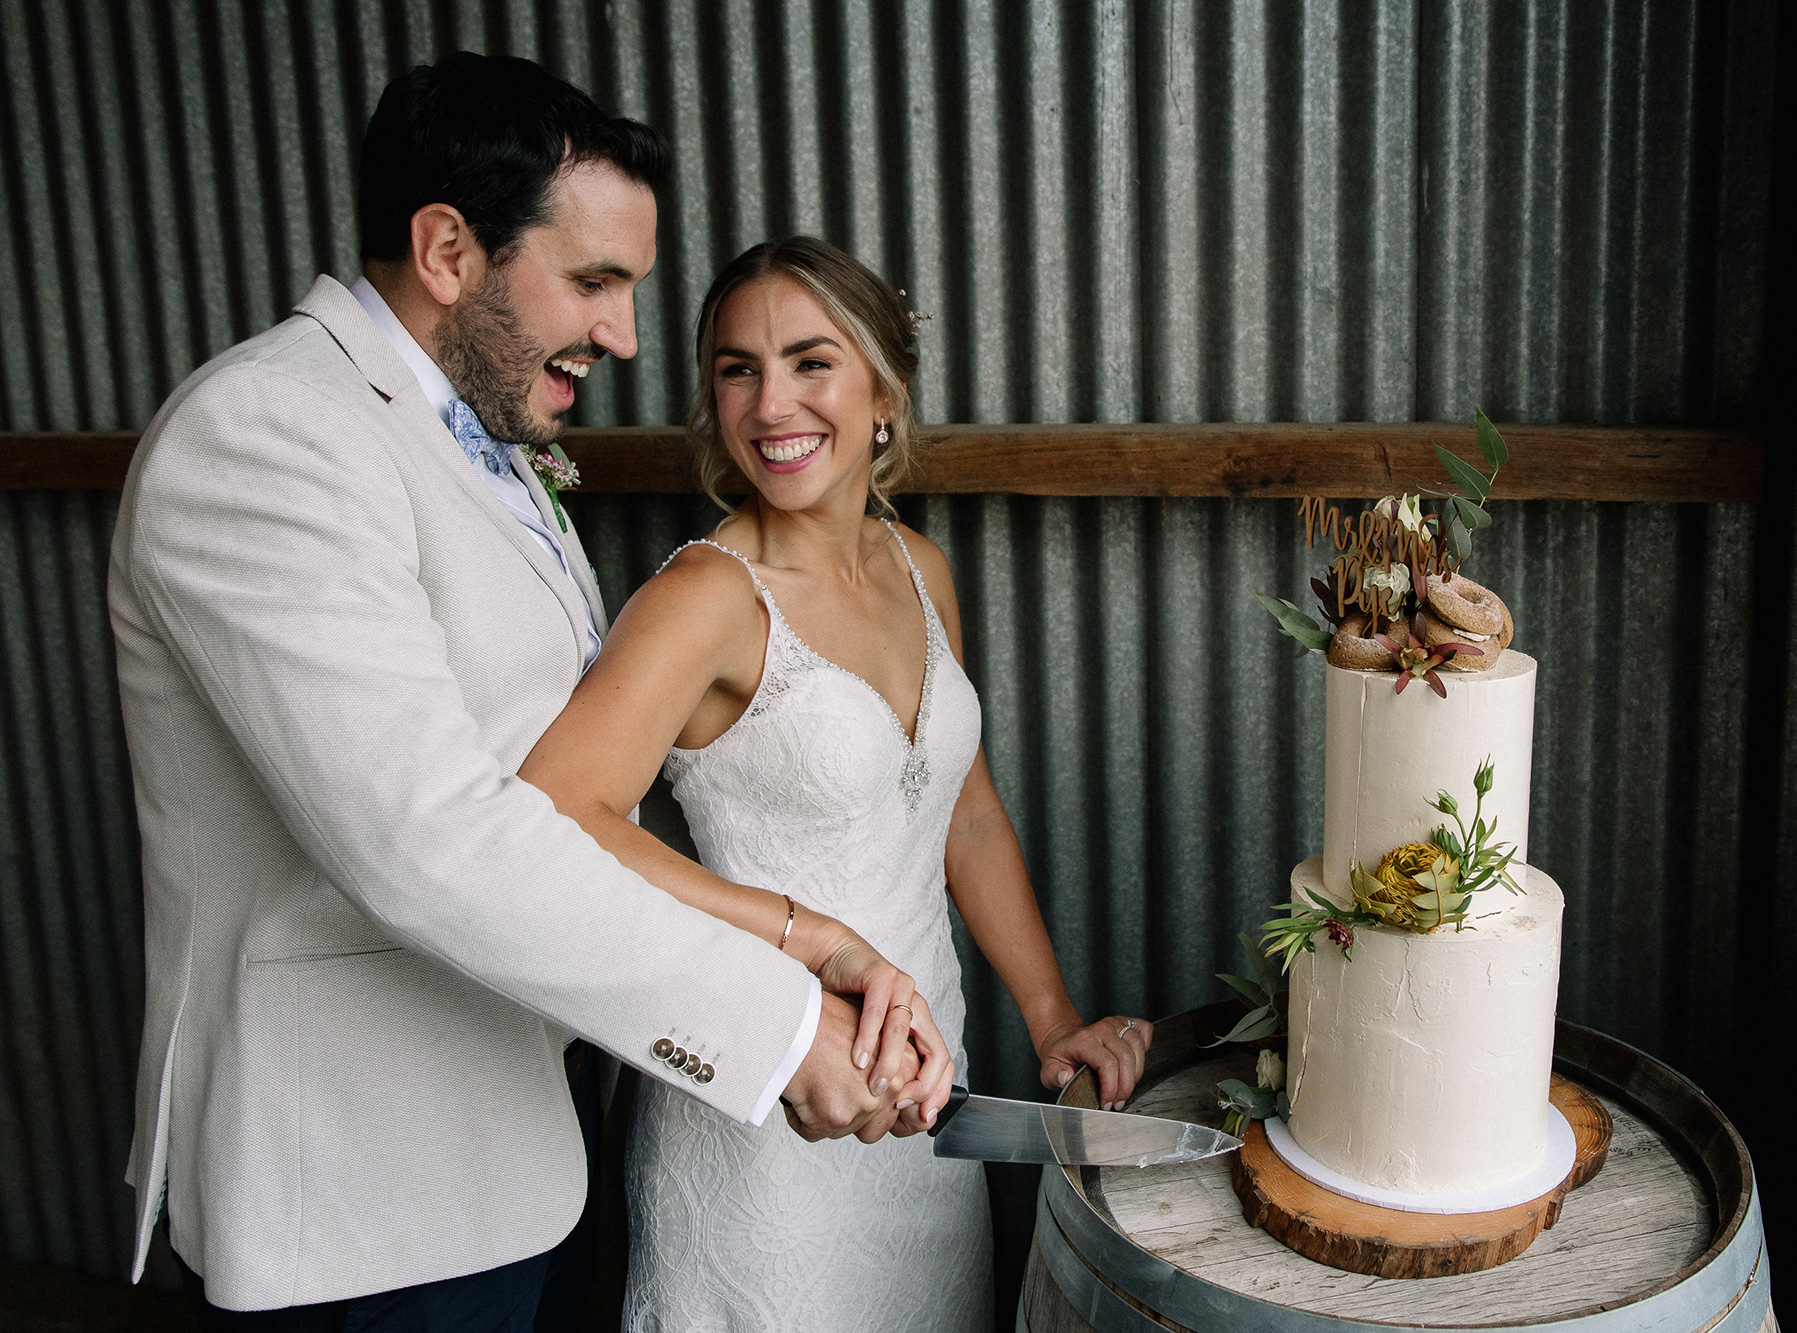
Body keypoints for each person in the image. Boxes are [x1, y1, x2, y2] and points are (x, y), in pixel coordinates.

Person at [108, 56, 948, 1331]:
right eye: (595, 283)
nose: (621, 334)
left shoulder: (478, 437)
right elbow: (433, 834)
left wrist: (808, 932)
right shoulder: (266, 436)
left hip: (534, 1139)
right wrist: (777, 1019)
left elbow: (540, 786)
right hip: (366, 1188)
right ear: (447, 248)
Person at [517, 236, 1155, 1332]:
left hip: (920, 1099)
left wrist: (1052, 1020)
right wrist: (797, 934)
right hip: (770, 1117)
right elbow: (550, 818)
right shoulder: (705, 597)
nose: (771, 404)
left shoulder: (918, 565)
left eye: (810, 362)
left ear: (881, 393)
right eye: (737, 368)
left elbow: (963, 807)